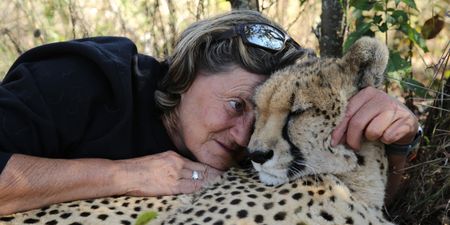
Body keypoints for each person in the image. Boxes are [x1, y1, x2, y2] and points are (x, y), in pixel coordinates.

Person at [0, 10, 419, 215]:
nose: (244, 139)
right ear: (188, 73)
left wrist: (392, 140)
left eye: (259, 121)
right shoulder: (84, 79)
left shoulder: (258, 151)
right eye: (237, 106)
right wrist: (124, 175)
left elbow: (359, 207)